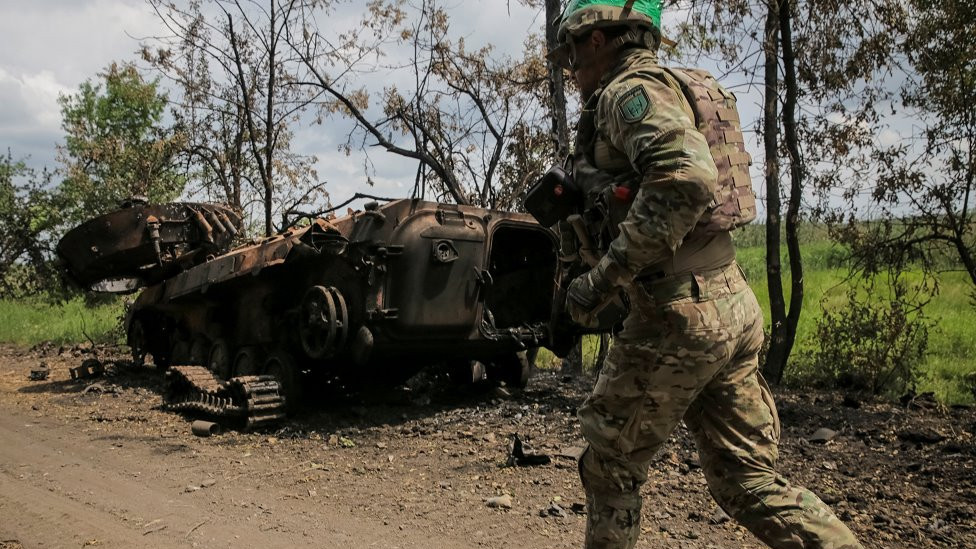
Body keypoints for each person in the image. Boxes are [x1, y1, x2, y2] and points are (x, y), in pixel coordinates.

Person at [545, 1, 864, 548]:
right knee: (745, 478)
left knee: (609, 466)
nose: (570, 67)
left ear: (599, 38)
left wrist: (604, 280)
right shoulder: (677, 83)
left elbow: (687, 180)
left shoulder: (629, 93)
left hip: (677, 313)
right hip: (729, 302)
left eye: (572, 50)